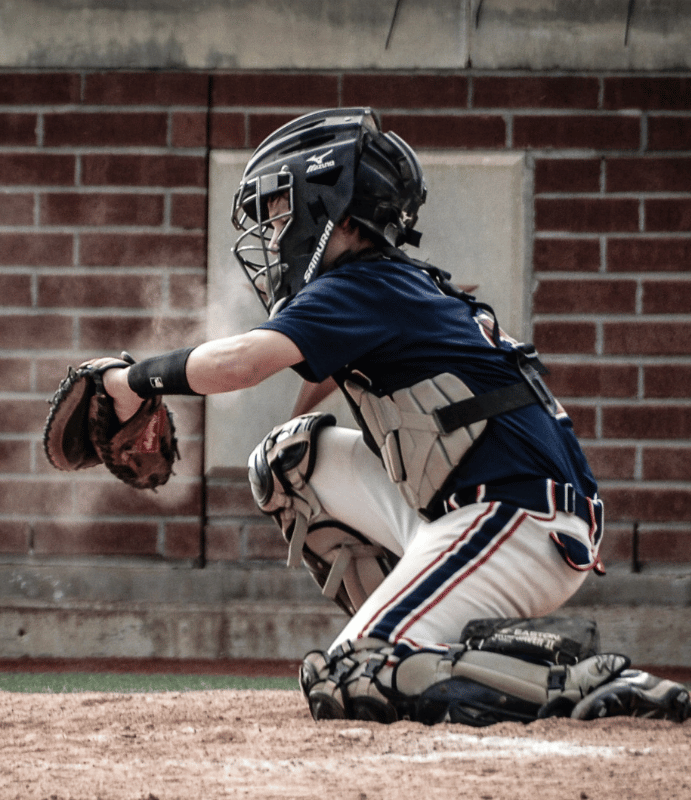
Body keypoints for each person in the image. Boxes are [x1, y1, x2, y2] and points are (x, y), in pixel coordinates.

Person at [86, 108, 689, 725]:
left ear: (337, 213)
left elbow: (241, 363)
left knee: (349, 674)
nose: (272, 233)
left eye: (281, 210)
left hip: (516, 522)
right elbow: (321, 370)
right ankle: (416, 645)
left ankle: (572, 681)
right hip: (499, 510)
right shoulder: (390, 284)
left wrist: (128, 381)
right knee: (287, 461)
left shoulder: (362, 287)